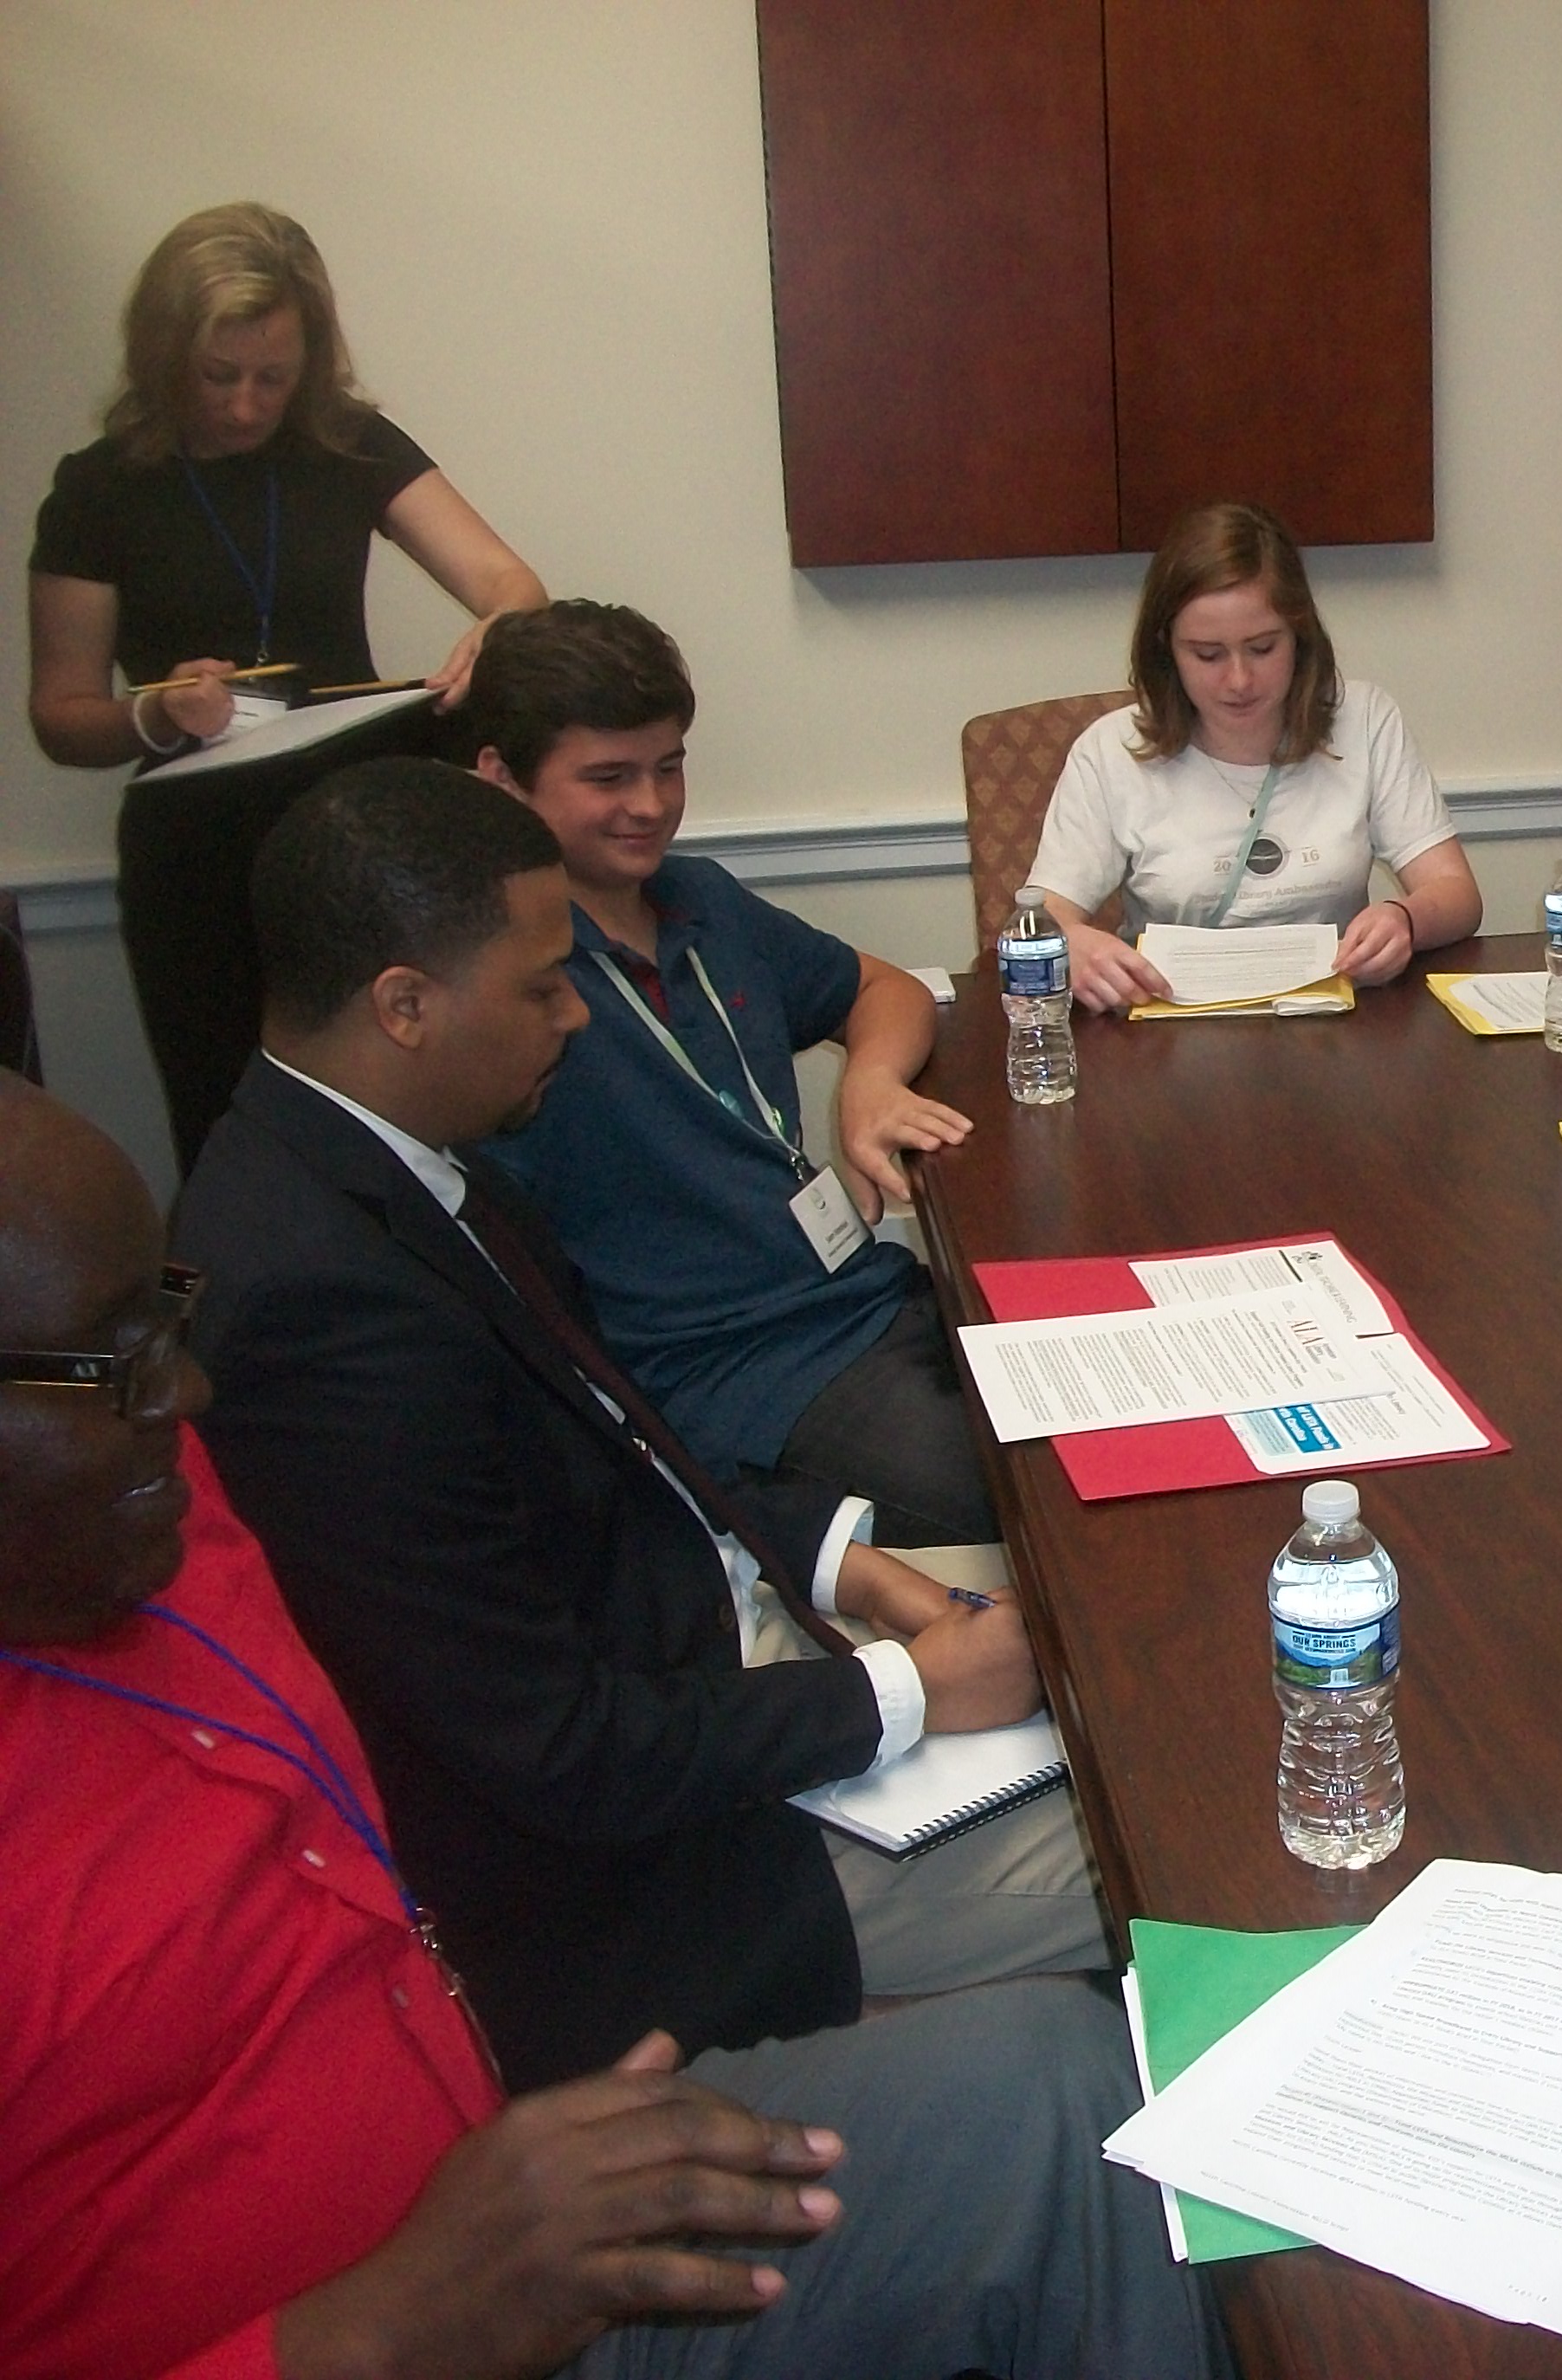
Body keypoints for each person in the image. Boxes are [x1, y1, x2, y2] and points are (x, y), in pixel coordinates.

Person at [0, 1075, 1226, 2380]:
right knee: (1166, 1861)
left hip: (508, 2154)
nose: (186, 1396)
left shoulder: (144, 1518)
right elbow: (549, 1734)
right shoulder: (298, 1321)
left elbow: (605, 1499)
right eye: (111, 1363)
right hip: (411, 2317)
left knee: (1061, 2084)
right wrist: (388, 2325)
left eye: (163, 1316)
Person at [171, 760, 1093, 2093]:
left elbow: (626, 1454)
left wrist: (845, 1567)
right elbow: (552, 1748)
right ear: (406, 1006)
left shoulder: (410, 1161)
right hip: (670, 1852)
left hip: (734, 1657)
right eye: (544, 985)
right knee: (1177, 1827)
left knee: (1124, 1635)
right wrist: (909, 1691)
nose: (575, 1016)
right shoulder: (310, 1306)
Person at [23, 202, 545, 1170]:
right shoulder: (98, 489)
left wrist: (499, 629)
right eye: (218, 376)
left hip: (362, 839)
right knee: (228, 1129)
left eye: (274, 376)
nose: (245, 406)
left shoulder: (350, 443)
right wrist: (157, 714)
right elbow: (61, 718)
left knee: (406, 1114)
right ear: (164, 355)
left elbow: (508, 582)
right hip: (201, 854)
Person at [467, 599, 991, 1543]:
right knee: (1025, 1490)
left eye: (668, 767)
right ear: (503, 779)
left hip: (863, 1294)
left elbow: (887, 989)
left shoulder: (697, 897)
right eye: (608, 777)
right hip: (727, 1374)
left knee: (1111, 1406)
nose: (651, 805)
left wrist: (869, 1084)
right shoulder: (505, 979)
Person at [1024, 498, 1481, 1010]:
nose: (1239, 680)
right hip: (1168, 1025)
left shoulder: (1366, 721)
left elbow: (1457, 893)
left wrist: (1405, 919)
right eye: (1208, 655)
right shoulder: (1111, 751)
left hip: (1333, 1022)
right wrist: (1071, 943)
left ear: (1300, 637)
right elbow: (1040, 920)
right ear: (1166, 649)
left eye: (1263, 648)